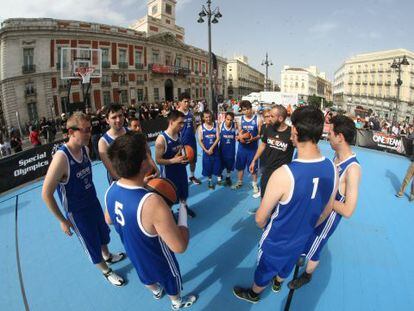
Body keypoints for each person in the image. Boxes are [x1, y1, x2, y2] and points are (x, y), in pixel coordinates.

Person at [233, 105, 337, 303]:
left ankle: (254, 293)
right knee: (287, 265)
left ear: (296, 131)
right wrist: (306, 228)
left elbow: (260, 218)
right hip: (302, 237)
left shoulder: (284, 174)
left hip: (277, 239)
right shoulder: (332, 167)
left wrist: (269, 228)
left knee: (264, 269)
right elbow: (328, 209)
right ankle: (279, 282)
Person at [104, 132, 197, 310]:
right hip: (159, 258)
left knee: (146, 277)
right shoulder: (152, 203)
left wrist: (141, 185)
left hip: (134, 253)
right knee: (171, 279)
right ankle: (177, 302)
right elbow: (180, 246)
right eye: (147, 153)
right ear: (143, 164)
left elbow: (109, 219)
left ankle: (155, 292)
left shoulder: (111, 190)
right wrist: (183, 213)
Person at [41, 112, 126, 287]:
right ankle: (106, 271)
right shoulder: (61, 158)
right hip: (77, 211)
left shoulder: (85, 150)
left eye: (90, 129)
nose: (89, 134)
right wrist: (62, 220)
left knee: (103, 233)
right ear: (71, 132)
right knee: (91, 242)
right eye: (84, 130)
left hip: (92, 202)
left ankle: (107, 256)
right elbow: (46, 193)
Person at [288, 115, 362, 289]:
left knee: (315, 248)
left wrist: (325, 194)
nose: (327, 136)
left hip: (327, 221)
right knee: (305, 240)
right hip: (318, 213)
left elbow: (348, 210)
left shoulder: (353, 170)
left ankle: (307, 275)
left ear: (340, 137)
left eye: (330, 133)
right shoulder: (336, 158)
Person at [248, 105, 294, 212]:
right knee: (264, 196)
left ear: (281, 118)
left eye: (272, 116)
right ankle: (264, 215)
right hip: (267, 170)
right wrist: (254, 160)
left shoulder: (291, 133)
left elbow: (302, 149)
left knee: (280, 200)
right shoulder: (269, 129)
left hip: (282, 174)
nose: (269, 118)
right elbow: (263, 145)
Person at [155, 110, 196, 218]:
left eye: (183, 123)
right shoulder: (161, 139)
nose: (182, 125)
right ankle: (169, 212)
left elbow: (179, 150)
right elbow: (158, 160)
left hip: (180, 169)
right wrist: (174, 160)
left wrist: (185, 156)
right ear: (171, 122)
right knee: (169, 195)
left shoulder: (179, 135)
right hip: (169, 173)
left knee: (183, 191)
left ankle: (184, 207)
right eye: (180, 123)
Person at [232, 100, 262, 196]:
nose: (246, 111)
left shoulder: (258, 119)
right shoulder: (240, 119)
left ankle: (254, 184)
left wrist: (254, 138)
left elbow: (260, 134)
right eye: (244, 110)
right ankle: (239, 181)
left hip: (253, 148)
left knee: (253, 168)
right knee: (240, 166)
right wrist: (239, 137)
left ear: (251, 108)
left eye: (248, 109)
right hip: (242, 148)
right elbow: (239, 132)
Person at [98, 104, 128, 184]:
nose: (118, 120)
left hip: (137, 178)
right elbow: (112, 171)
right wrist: (132, 183)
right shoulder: (103, 142)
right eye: (114, 117)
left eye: (120, 116)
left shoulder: (131, 132)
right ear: (107, 120)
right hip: (120, 183)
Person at [177, 92, 202, 185]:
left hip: (191, 141)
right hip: (181, 143)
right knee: (181, 163)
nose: (187, 103)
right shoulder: (176, 114)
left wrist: (192, 134)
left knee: (193, 160)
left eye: (188, 101)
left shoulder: (191, 113)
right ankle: (181, 179)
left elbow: (194, 125)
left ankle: (191, 176)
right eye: (185, 101)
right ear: (180, 102)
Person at [198, 110, 221, 189]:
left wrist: (211, 148)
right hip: (206, 152)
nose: (208, 119)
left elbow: (218, 138)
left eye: (209, 117)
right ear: (203, 118)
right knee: (208, 167)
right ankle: (210, 180)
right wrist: (205, 149)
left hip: (215, 150)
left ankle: (219, 179)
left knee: (217, 165)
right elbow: (200, 140)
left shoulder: (215, 125)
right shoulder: (201, 127)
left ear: (211, 116)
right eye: (206, 117)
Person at [218, 112, 237, 186]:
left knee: (229, 164)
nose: (229, 121)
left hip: (231, 149)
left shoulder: (235, 125)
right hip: (222, 149)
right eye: (227, 119)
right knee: (220, 164)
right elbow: (216, 137)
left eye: (231, 120)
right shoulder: (220, 125)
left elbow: (240, 134)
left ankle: (228, 177)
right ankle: (219, 178)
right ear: (225, 118)